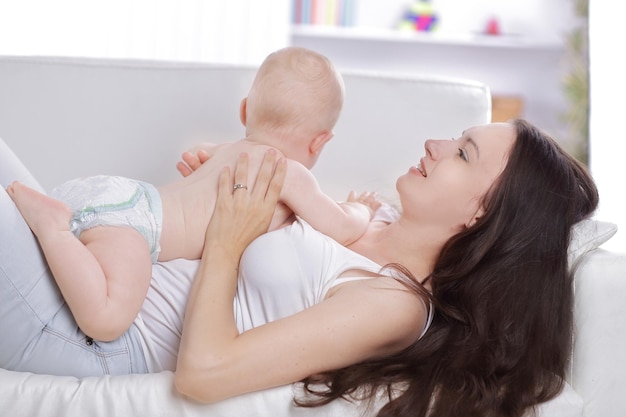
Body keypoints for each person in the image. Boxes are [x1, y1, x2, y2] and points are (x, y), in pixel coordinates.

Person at [172, 119, 599, 417]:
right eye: (456, 138)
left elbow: (204, 373)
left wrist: (226, 239)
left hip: (112, 336)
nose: (435, 143)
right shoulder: (366, 215)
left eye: (463, 154)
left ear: (483, 215)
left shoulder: (395, 302)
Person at [4, 46, 380, 343]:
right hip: (136, 228)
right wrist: (359, 208)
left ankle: (54, 224)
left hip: (124, 199)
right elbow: (341, 227)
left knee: (90, 281)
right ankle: (53, 227)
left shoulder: (222, 151)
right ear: (320, 141)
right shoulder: (285, 173)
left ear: (245, 110)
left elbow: (198, 162)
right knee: (106, 320)